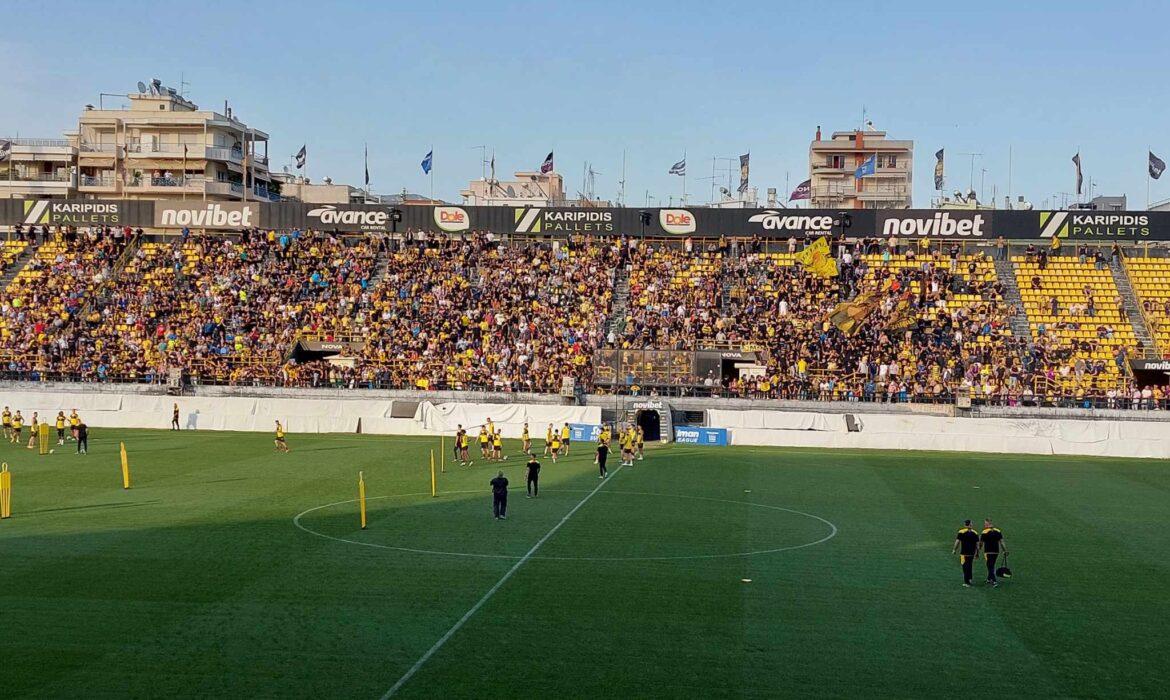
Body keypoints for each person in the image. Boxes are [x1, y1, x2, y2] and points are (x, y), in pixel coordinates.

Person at [952, 519, 981, 587]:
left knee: (965, 567)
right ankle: (970, 579)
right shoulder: (975, 532)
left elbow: (957, 542)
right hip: (972, 553)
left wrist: (954, 549)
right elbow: (977, 544)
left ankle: (967, 582)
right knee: (970, 566)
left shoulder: (961, 532)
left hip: (964, 553)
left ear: (965, 524)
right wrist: (977, 553)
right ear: (970, 524)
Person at [979, 518, 1007, 587]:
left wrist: (978, 549)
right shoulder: (998, 531)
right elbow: (1002, 542)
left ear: (987, 524)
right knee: (992, 565)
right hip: (996, 551)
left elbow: (981, 543)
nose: (984, 525)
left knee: (990, 566)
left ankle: (994, 581)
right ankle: (988, 579)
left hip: (988, 551)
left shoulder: (984, 532)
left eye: (985, 524)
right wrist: (1005, 550)